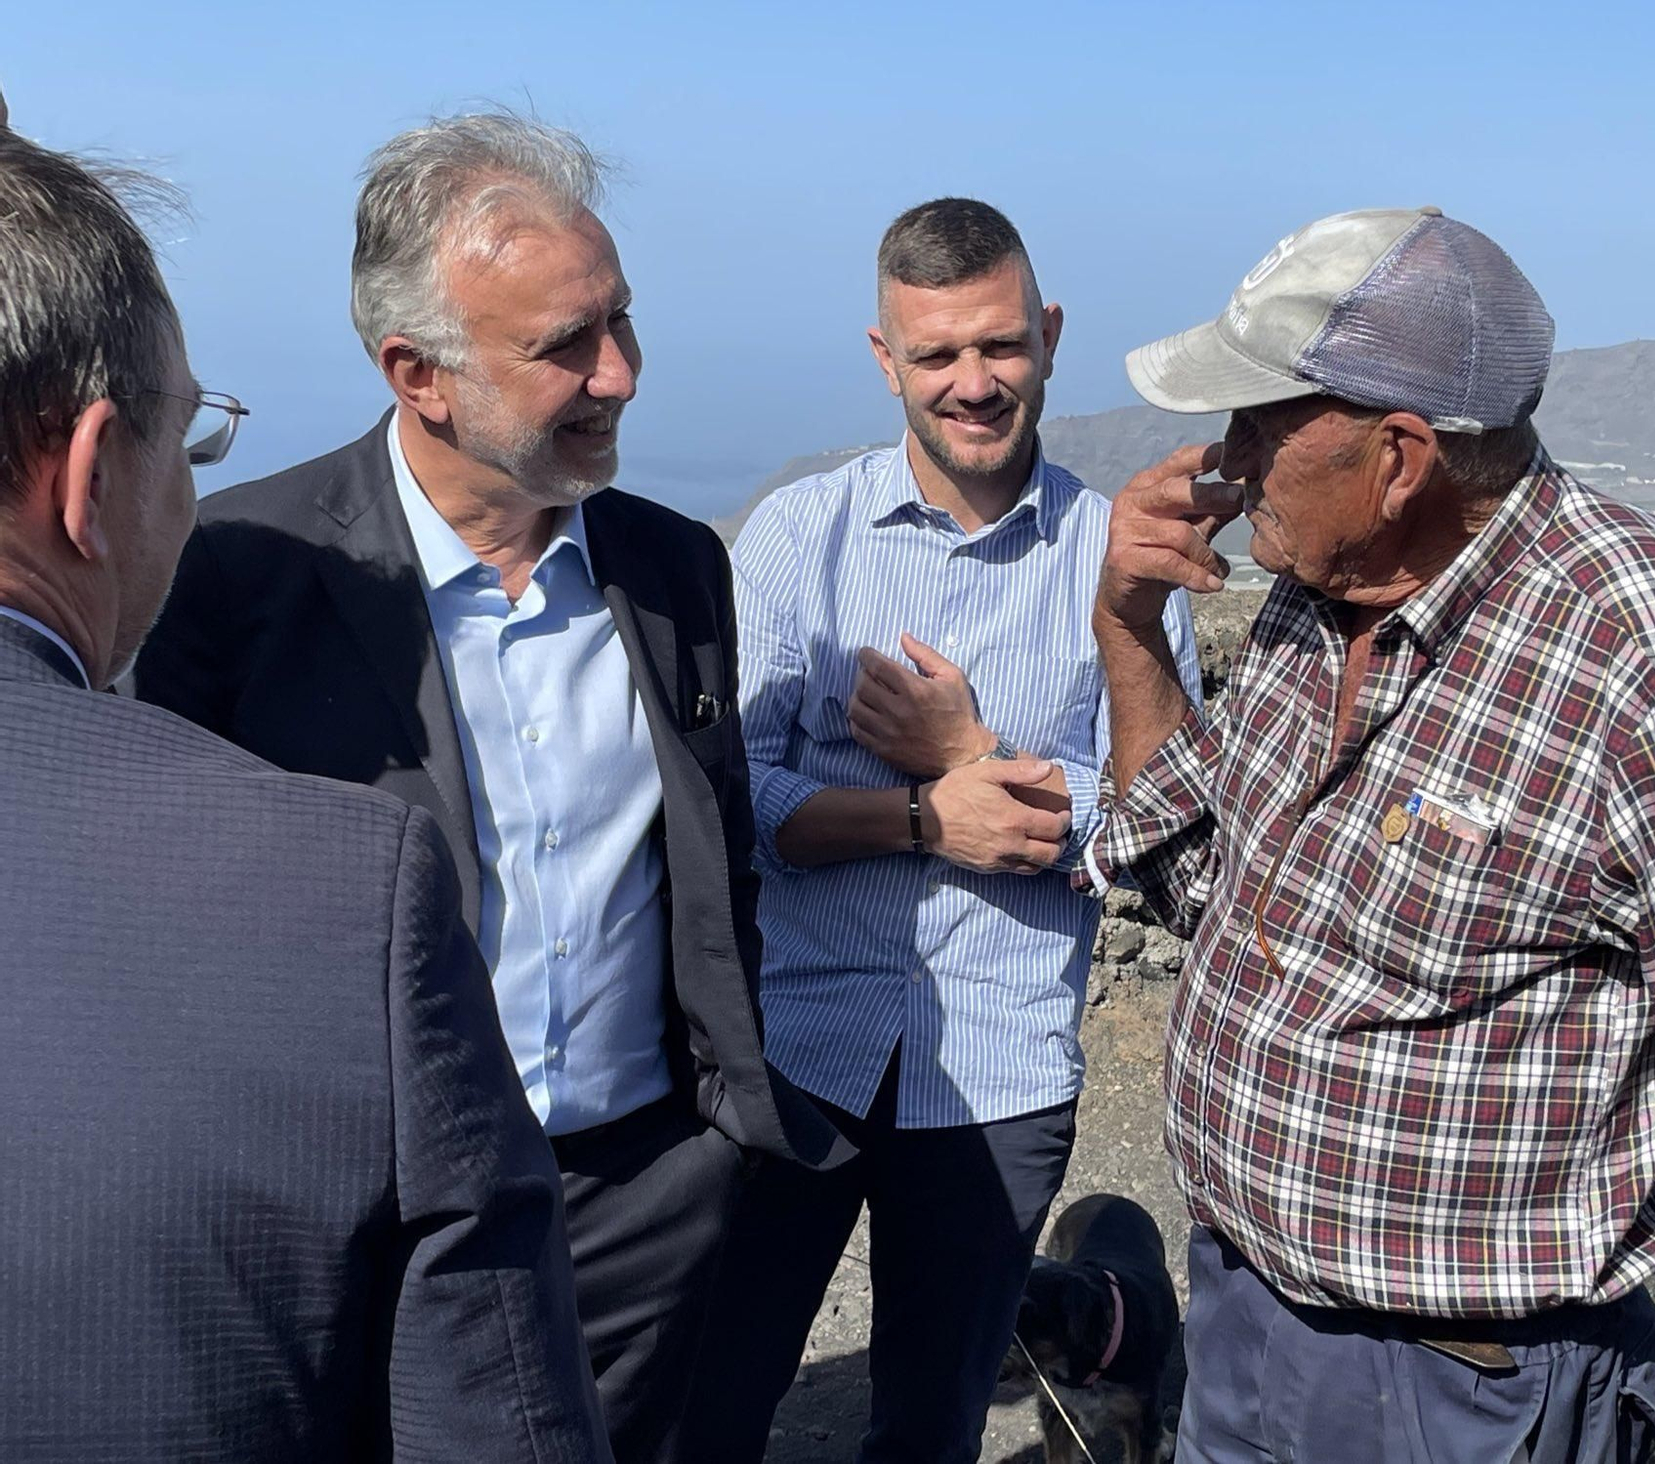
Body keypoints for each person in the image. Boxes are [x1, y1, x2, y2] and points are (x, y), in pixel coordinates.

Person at [1087, 207, 1655, 1464]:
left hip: (1457, 1395)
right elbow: (1206, 885)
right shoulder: (1318, 596)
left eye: (1258, 424)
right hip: (1241, 1315)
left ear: (1398, 457)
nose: (1222, 463)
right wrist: (1130, 629)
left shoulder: (1635, 650)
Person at [130, 112, 842, 1464]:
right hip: (370, 1207)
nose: (621, 375)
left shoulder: (676, 567)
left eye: (621, 322)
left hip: (644, 1196)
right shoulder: (241, 577)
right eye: (565, 345)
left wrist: (709, 1148)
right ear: (420, 373)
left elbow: (704, 853)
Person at [0, 125, 607, 1461]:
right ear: (92, 473)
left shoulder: (670, 574)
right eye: (187, 439)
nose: (617, 374)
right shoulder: (343, 883)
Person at [676, 198, 1200, 1462]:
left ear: (1050, 336)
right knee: (709, 1398)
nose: (972, 384)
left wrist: (969, 757)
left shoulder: (1111, 561)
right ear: (884, 360)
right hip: (800, 1039)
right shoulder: (806, 536)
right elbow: (733, 797)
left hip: (1001, 1063)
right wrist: (924, 816)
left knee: (930, 1418)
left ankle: (1103, 1329)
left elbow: (1157, 817)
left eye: (999, 347)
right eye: (936, 356)